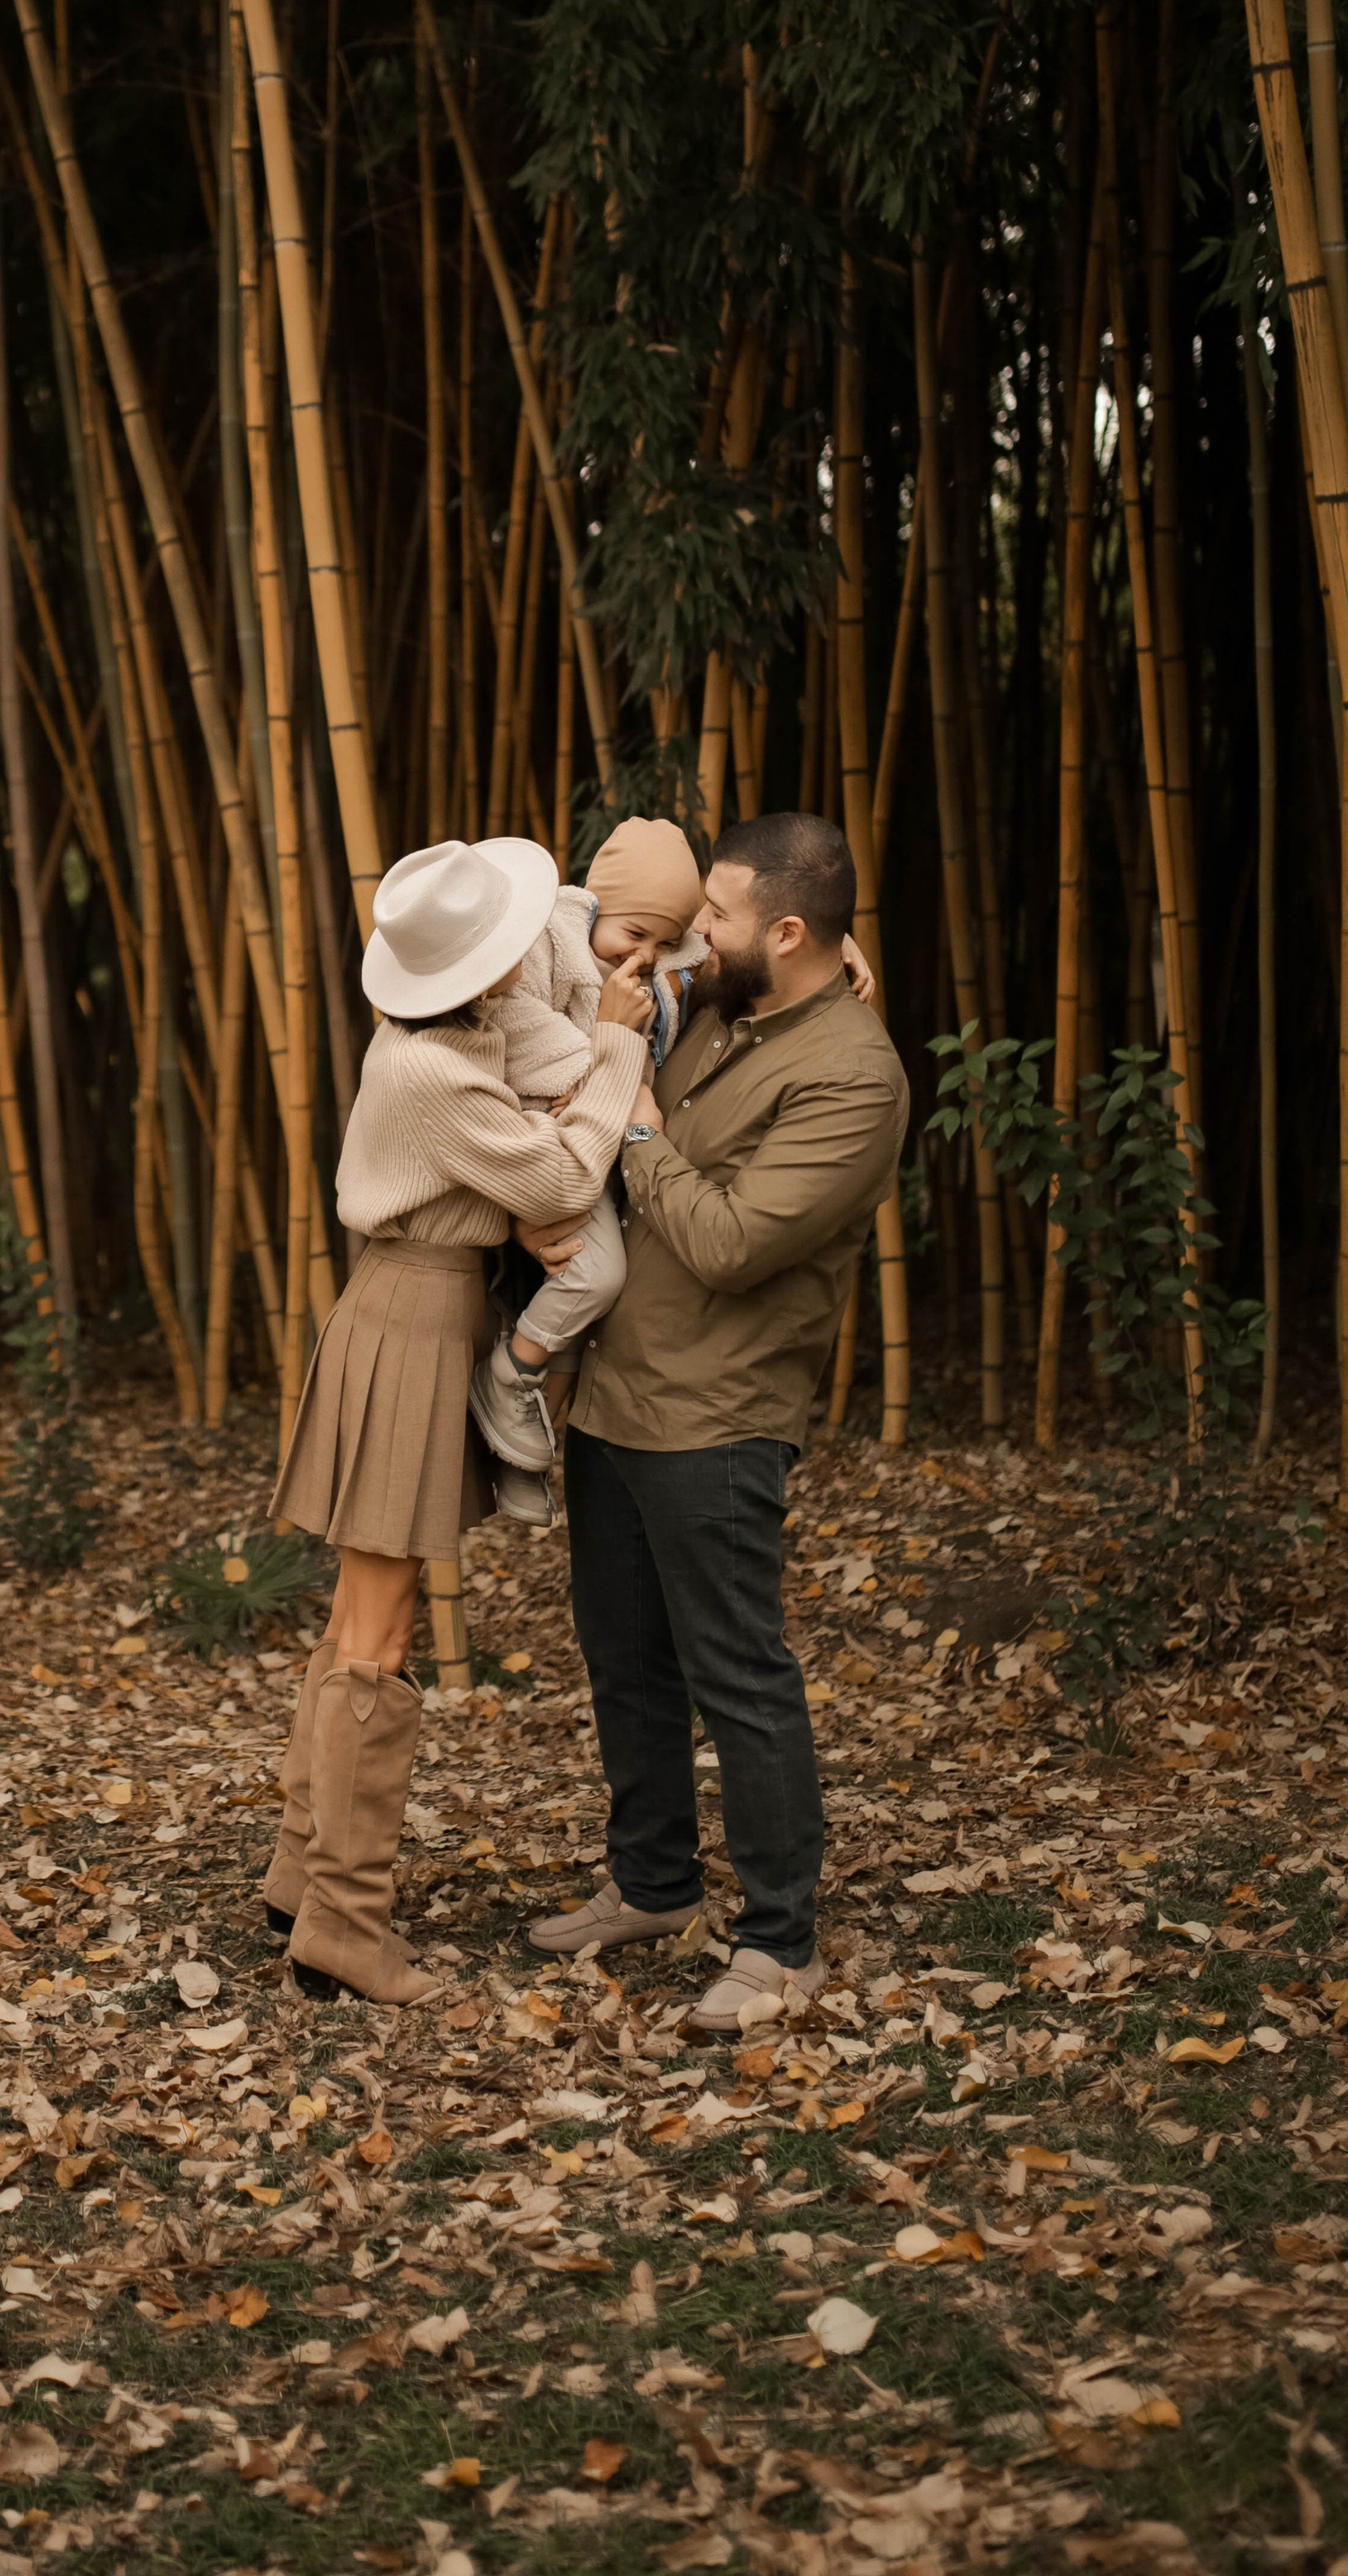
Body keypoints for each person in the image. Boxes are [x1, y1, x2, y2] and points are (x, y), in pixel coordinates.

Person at [518, 810, 908, 2040]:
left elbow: (732, 1244)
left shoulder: (853, 1075)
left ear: (785, 932)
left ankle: (780, 1943)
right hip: (618, 1396)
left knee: (737, 1676)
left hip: (718, 1417)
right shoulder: (726, 1004)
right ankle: (654, 1885)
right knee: (625, 1660)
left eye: (719, 918)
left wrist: (634, 1117)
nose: (695, 934)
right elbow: (555, 928)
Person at [260, 835, 650, 2006]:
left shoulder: (442, 1036)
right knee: (378, 1638)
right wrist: (616, 1046)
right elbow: (562, 1184)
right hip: (411, 1329)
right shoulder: (433, 1065)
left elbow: (509, 1169)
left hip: (411, 1312)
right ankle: (344, 1927)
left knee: (356, 1620)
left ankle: (300, 1878)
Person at [466, 816, 709, 1522]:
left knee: (579, 1331)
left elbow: (742, 934)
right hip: (550, 1147)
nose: (647, 954)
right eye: (635, 933)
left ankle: (522, 1458)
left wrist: (839, 940)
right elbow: (520, 1034)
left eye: (664, 942)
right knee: (595, 1276)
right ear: (599, 904)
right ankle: (507, 1375)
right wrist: (603, 1061)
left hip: (609, 1152)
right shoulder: (547, 942)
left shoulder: (663, 964)